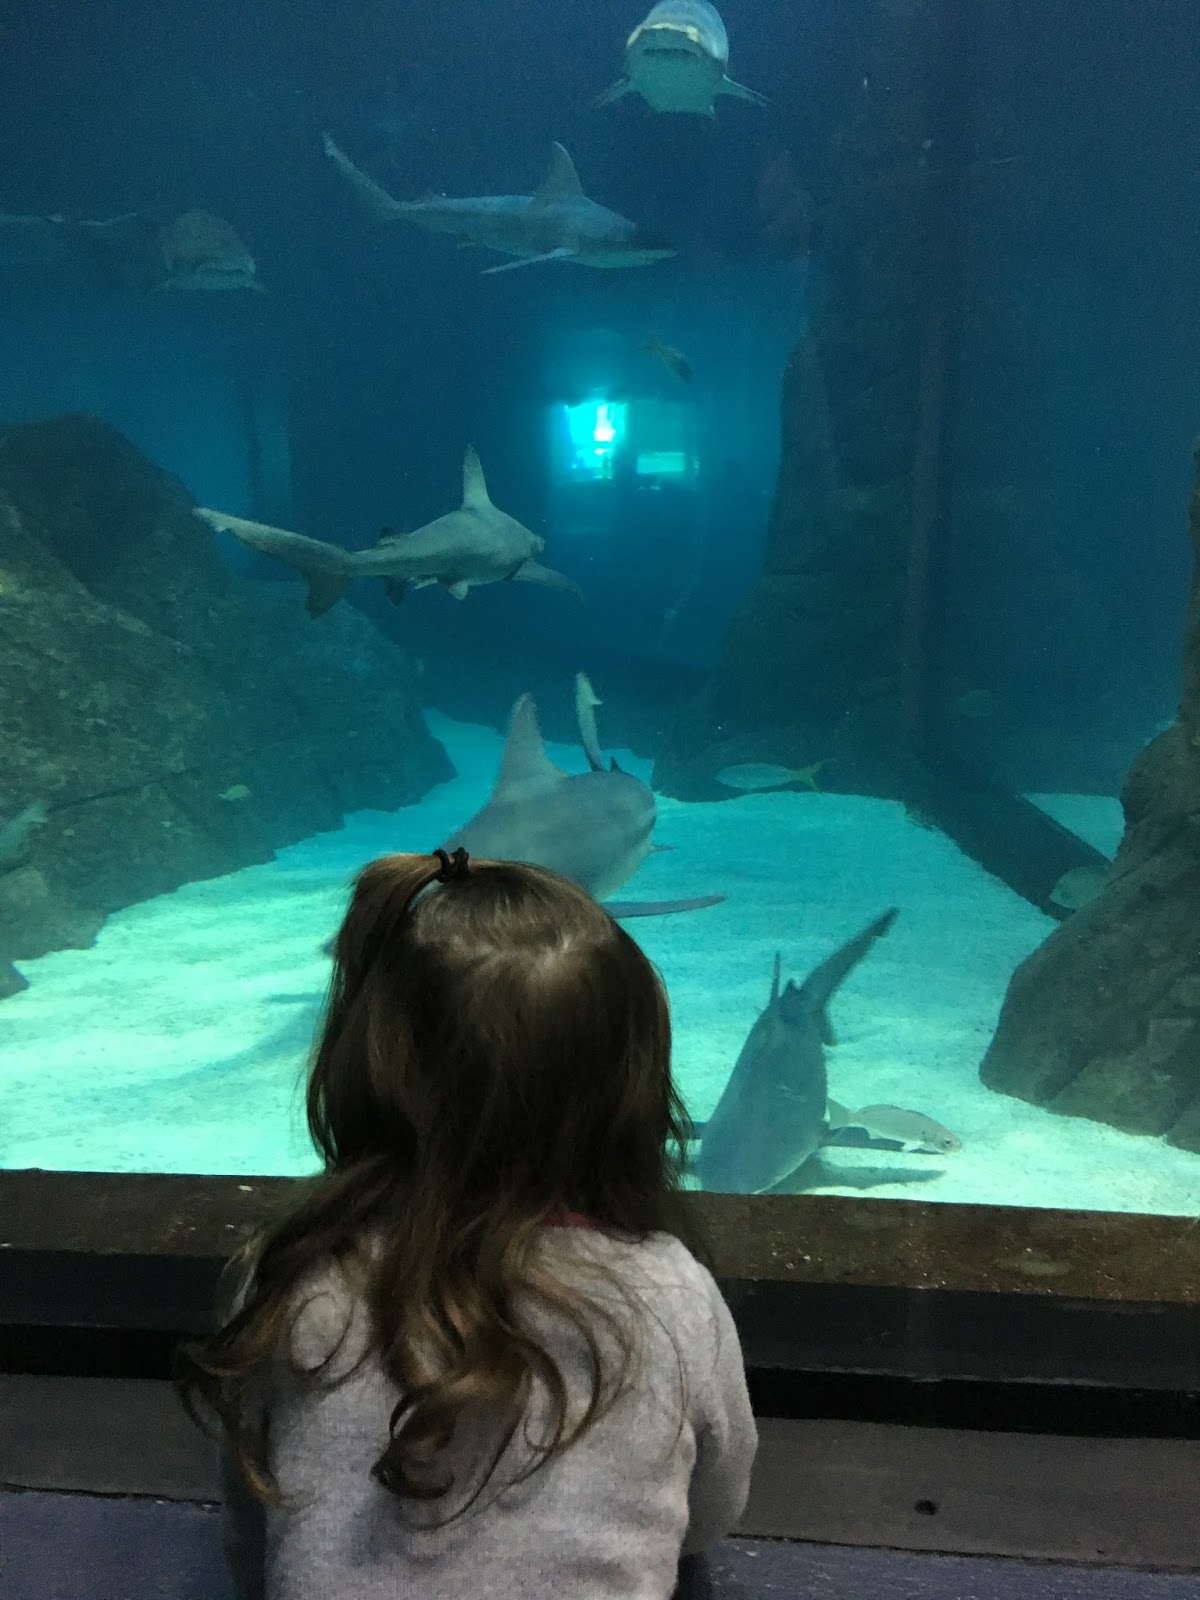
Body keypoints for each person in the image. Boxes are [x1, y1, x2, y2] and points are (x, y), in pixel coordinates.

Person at [177, 848, 756, 1600]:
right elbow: (711, 1513)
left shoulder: (290, 1270)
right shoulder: (672, 1290)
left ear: (371, 1064)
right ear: (631, 1089)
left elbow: (252, 1516)